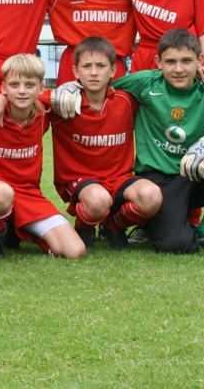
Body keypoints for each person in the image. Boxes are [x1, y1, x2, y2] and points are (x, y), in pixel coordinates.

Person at [94, 29, 204, 254]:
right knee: (178, 245)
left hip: (196, 171)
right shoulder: (144, 83)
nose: (178, 69)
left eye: (186, 61)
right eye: (171, 62)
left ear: (200, 60)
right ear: (158, 62)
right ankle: (131, 219)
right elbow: (98, 85)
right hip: (158, 180)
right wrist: (71, 88)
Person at [0, 54, 87, 260]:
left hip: (27, 194)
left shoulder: (44, 112)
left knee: (75, 251)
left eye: (29, 85)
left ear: (41, 88)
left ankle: (17, 228)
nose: (22, 91)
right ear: (3, 87)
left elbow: (76, 90)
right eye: (14, 85)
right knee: (2, 194)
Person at [43, 36, 162, 249]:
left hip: (119, 178)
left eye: (101, 65)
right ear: (75, 71)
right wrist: (2, 98)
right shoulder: (61, 102)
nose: (94, 72)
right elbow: (26, 98)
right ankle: (84, 227)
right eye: (86, 66)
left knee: (152, 197)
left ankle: (113, 226)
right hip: (79, 181)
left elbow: (163, 83)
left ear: (113, 70)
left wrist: (197, 72)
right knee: (98, 200)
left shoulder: (127, 101)